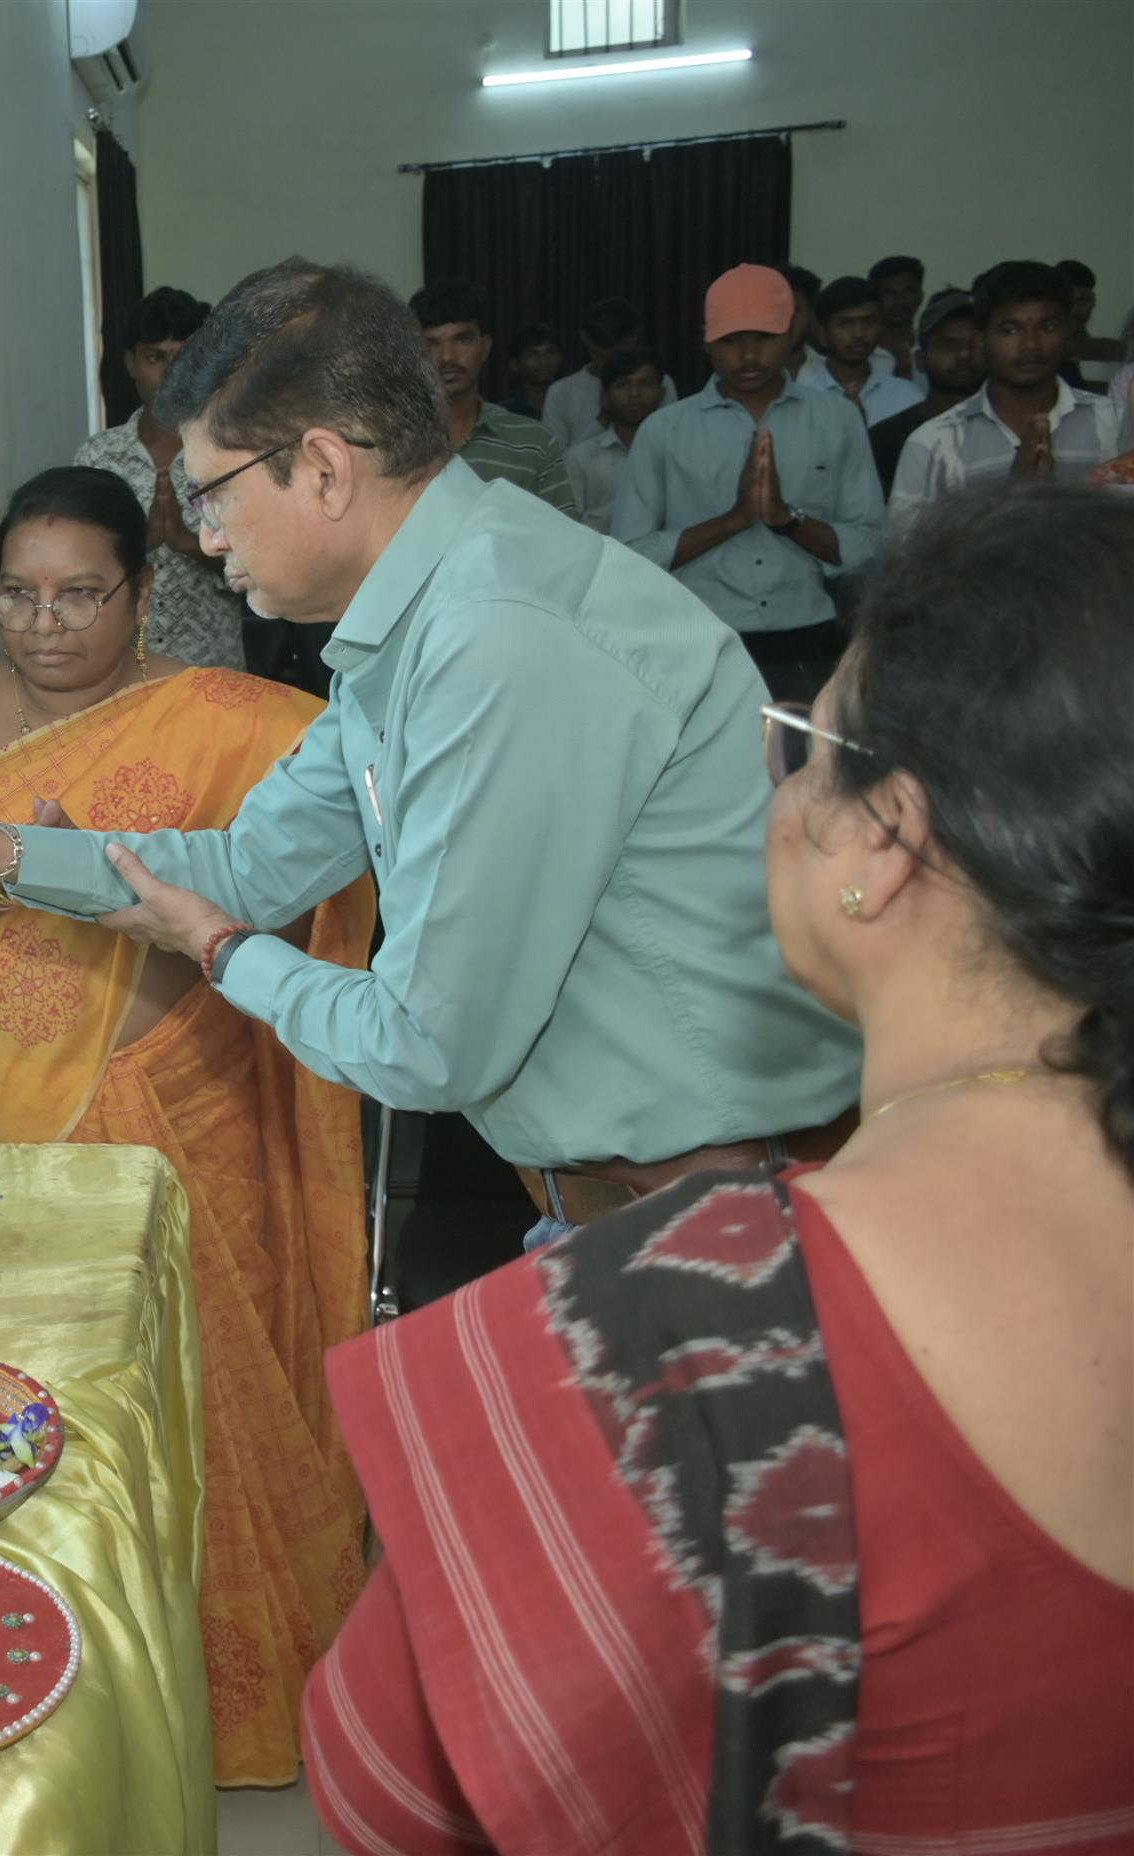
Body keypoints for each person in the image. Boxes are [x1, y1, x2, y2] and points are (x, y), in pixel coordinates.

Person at [301, 480, 1134, 1854]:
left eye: (808, 747)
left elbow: (389, 1790)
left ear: (883, 843)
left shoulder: (686, 1339)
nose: (782, 785)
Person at [0, 258, 858, 1262]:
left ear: (321, 467)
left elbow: (423, 1045)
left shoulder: (498, 635)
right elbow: (252, 866)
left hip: (719, 1206)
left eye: (211, 493)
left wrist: (217, 950)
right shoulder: (414, 620)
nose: (203, 535)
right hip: (621, 1191)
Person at [0, 464, 378, 1786]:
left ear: (143, 597)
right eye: (19, 595)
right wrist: (24, 859)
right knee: (36, 1405)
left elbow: (341, 819)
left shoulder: (223, 717)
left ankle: (237, 1697)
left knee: (197, 1386)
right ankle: (50, 1714)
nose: (46, 625)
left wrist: (12, 859)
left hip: (179, 1092)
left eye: (81, 593)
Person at [613, 263, 885, 704]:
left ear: (792, 330)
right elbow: (631, 554)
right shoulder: (664, 431)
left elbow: (870, 543)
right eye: (731, 341)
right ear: (706, 340)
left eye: (763, 338)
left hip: (807, 637)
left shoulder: (836, 420)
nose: (748, 355)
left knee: (801, 767)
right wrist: (733, 520)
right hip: (699, 634)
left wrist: (786, 520)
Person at [77, 286, 249, 671]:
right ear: (130, 362)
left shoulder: (234, 450)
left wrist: (189, 545)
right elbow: (79, 572)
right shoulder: (98, 458)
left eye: (182, 358)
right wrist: (140, 545)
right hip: (122, 672)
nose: (170, 373)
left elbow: (264, 567)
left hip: (212, 671)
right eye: (156, 358)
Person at [890, 260, 1130, 529]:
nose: (1030, 345)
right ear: (981, 341)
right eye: (1010, 330)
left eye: (1048, 327)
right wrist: (1014, 493)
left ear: (1067, 334)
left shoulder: (1117, 424)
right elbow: (906, 558)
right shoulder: (933, 444)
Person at [409, 279, 579, 516]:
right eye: (431, 343)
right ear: (412, 352)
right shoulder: (388, 442)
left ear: (485, 347)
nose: (447, 356)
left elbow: (567, 542)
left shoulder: (534, 443)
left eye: (463, 339)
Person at [868, 289, 981, 494]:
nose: (964, 355)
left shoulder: (1007, 427)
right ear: (920, 360)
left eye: (974, 344)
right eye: (948, 346)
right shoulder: (886, 439)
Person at [540, 296, 676, 451]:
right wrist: (603, 419)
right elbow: (553, 463)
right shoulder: (561, 392)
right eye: (601, 356)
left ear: (635, 337)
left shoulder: (659, 383)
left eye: (619, 356)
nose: (610, 365)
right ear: (585, 339)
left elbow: (672, 447)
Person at [560, 343, 665, 534]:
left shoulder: (678, 454)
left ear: (661, 393)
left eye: (645, 383)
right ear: (604, 398)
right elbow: (568, 531)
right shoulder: (579, 459)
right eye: (622, 385)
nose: (634, 393)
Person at [802, 274, 926, 425]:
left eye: (868, 321)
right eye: (846, 324)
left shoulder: (907, 397)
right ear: (822, 333)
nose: (859, 333)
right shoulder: (801, 394)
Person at [1054, 258, 1123, 385]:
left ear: (1092, 302)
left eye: (1081, 301)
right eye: (1065, 301)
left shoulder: (1117, 352)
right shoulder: (1037, 356)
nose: (1073, 310)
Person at [867, 252, 926, 379]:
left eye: (908, 291)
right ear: (875, 299)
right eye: (889, 293)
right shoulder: (861, 352)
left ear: (921, 296)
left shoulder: (930, 349)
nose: (899, 300)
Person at [500, 320, 565, 421]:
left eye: (551, 352)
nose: (544, 361)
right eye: (533, 354)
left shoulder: (572, 405)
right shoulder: (504, 413)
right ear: (515, 364)